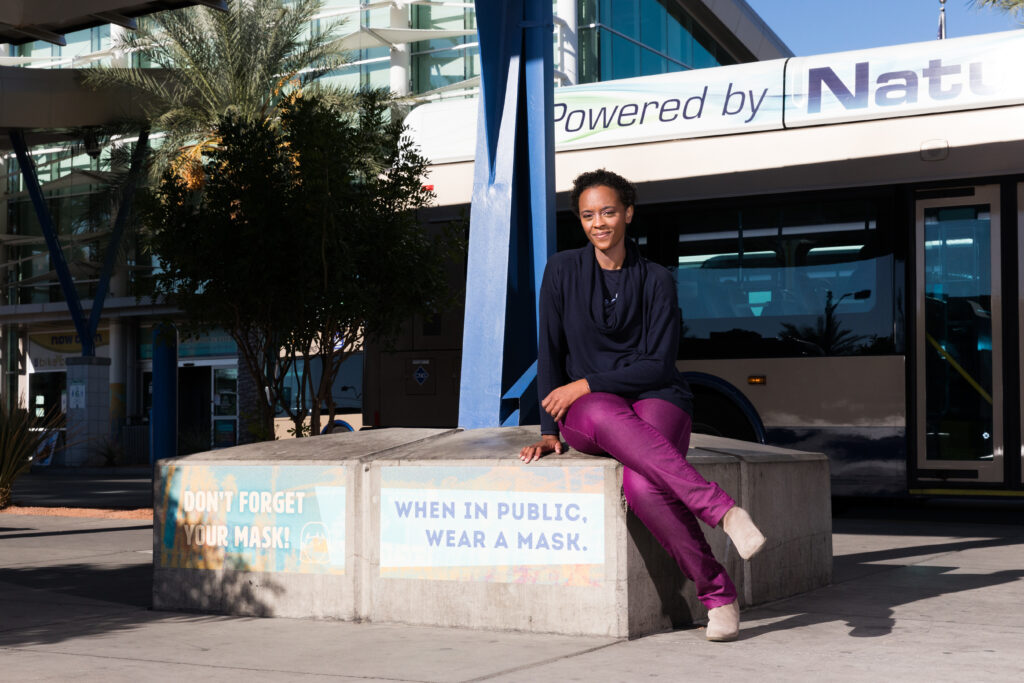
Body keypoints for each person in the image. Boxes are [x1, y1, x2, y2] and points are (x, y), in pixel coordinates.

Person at [519, 169, 767, 642]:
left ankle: (719, 598)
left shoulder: (657, 279)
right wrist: (548, 429)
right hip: (590, 409)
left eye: (609, 212)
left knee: (644, 489)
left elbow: (658, 366)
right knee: (598, 408)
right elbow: (548, 349)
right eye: (589, 215)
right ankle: (720, 509)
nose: (599, 223)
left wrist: (586, 381)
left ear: (628, 214)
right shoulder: (561, 270)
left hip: (658, 396)